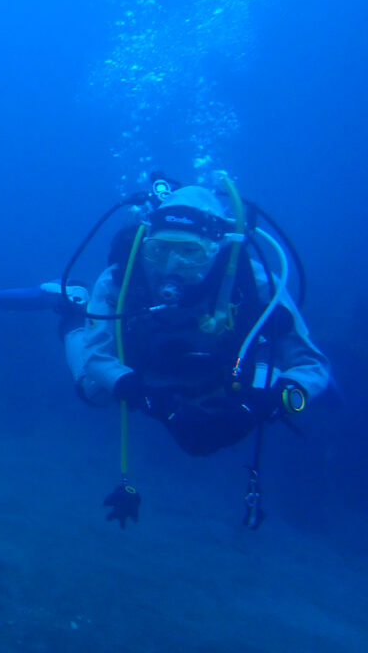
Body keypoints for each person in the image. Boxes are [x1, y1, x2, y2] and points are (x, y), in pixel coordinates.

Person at [60, 176, 330, 528]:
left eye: (190, 252)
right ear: (145, 245)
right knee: (92, 390)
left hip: (218, 369)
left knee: (269, 382)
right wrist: (152, 401)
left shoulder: (257, 284)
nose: (170, 267)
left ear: (217, 248)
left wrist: (261, 406)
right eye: (159, 251)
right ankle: (73, 310)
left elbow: (311, 365)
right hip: (143, 364)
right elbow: (98, 356)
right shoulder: (120, 278)